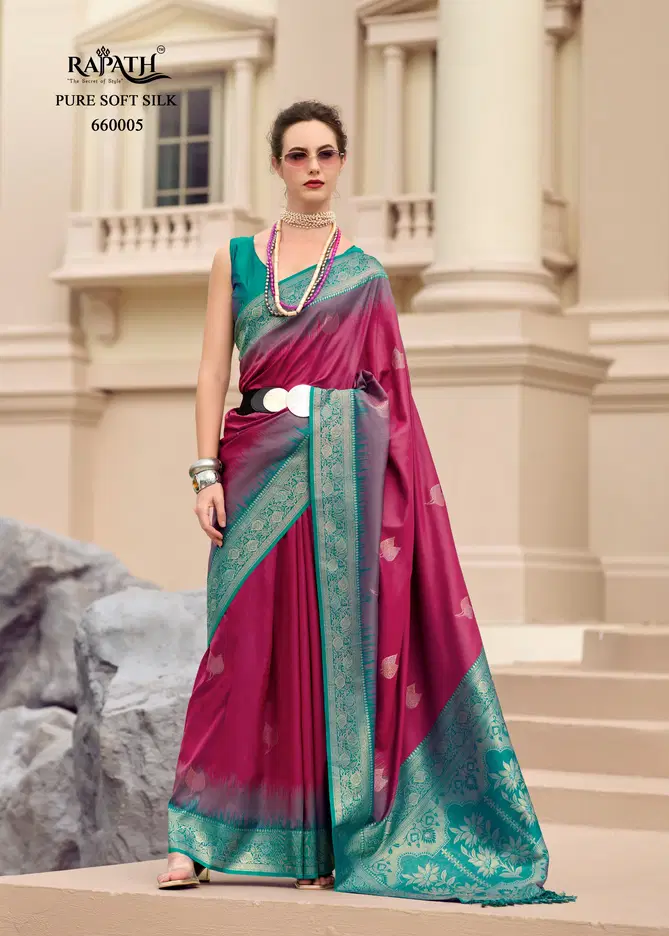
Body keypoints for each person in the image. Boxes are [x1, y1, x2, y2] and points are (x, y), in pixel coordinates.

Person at [157, 100, 573, 906]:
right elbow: (212, 370)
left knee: (323, 658)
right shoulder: (235, 259)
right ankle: (192, 838)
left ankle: (319, 839)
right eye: (297, 154)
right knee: (235, 654)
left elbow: (389, 396)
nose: (312, 167)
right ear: (277, 165)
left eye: (325, 153)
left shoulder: (365, 275)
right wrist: (205, 473)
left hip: (338, 481)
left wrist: (344, 435)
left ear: (340, 163)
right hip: (252, 466)